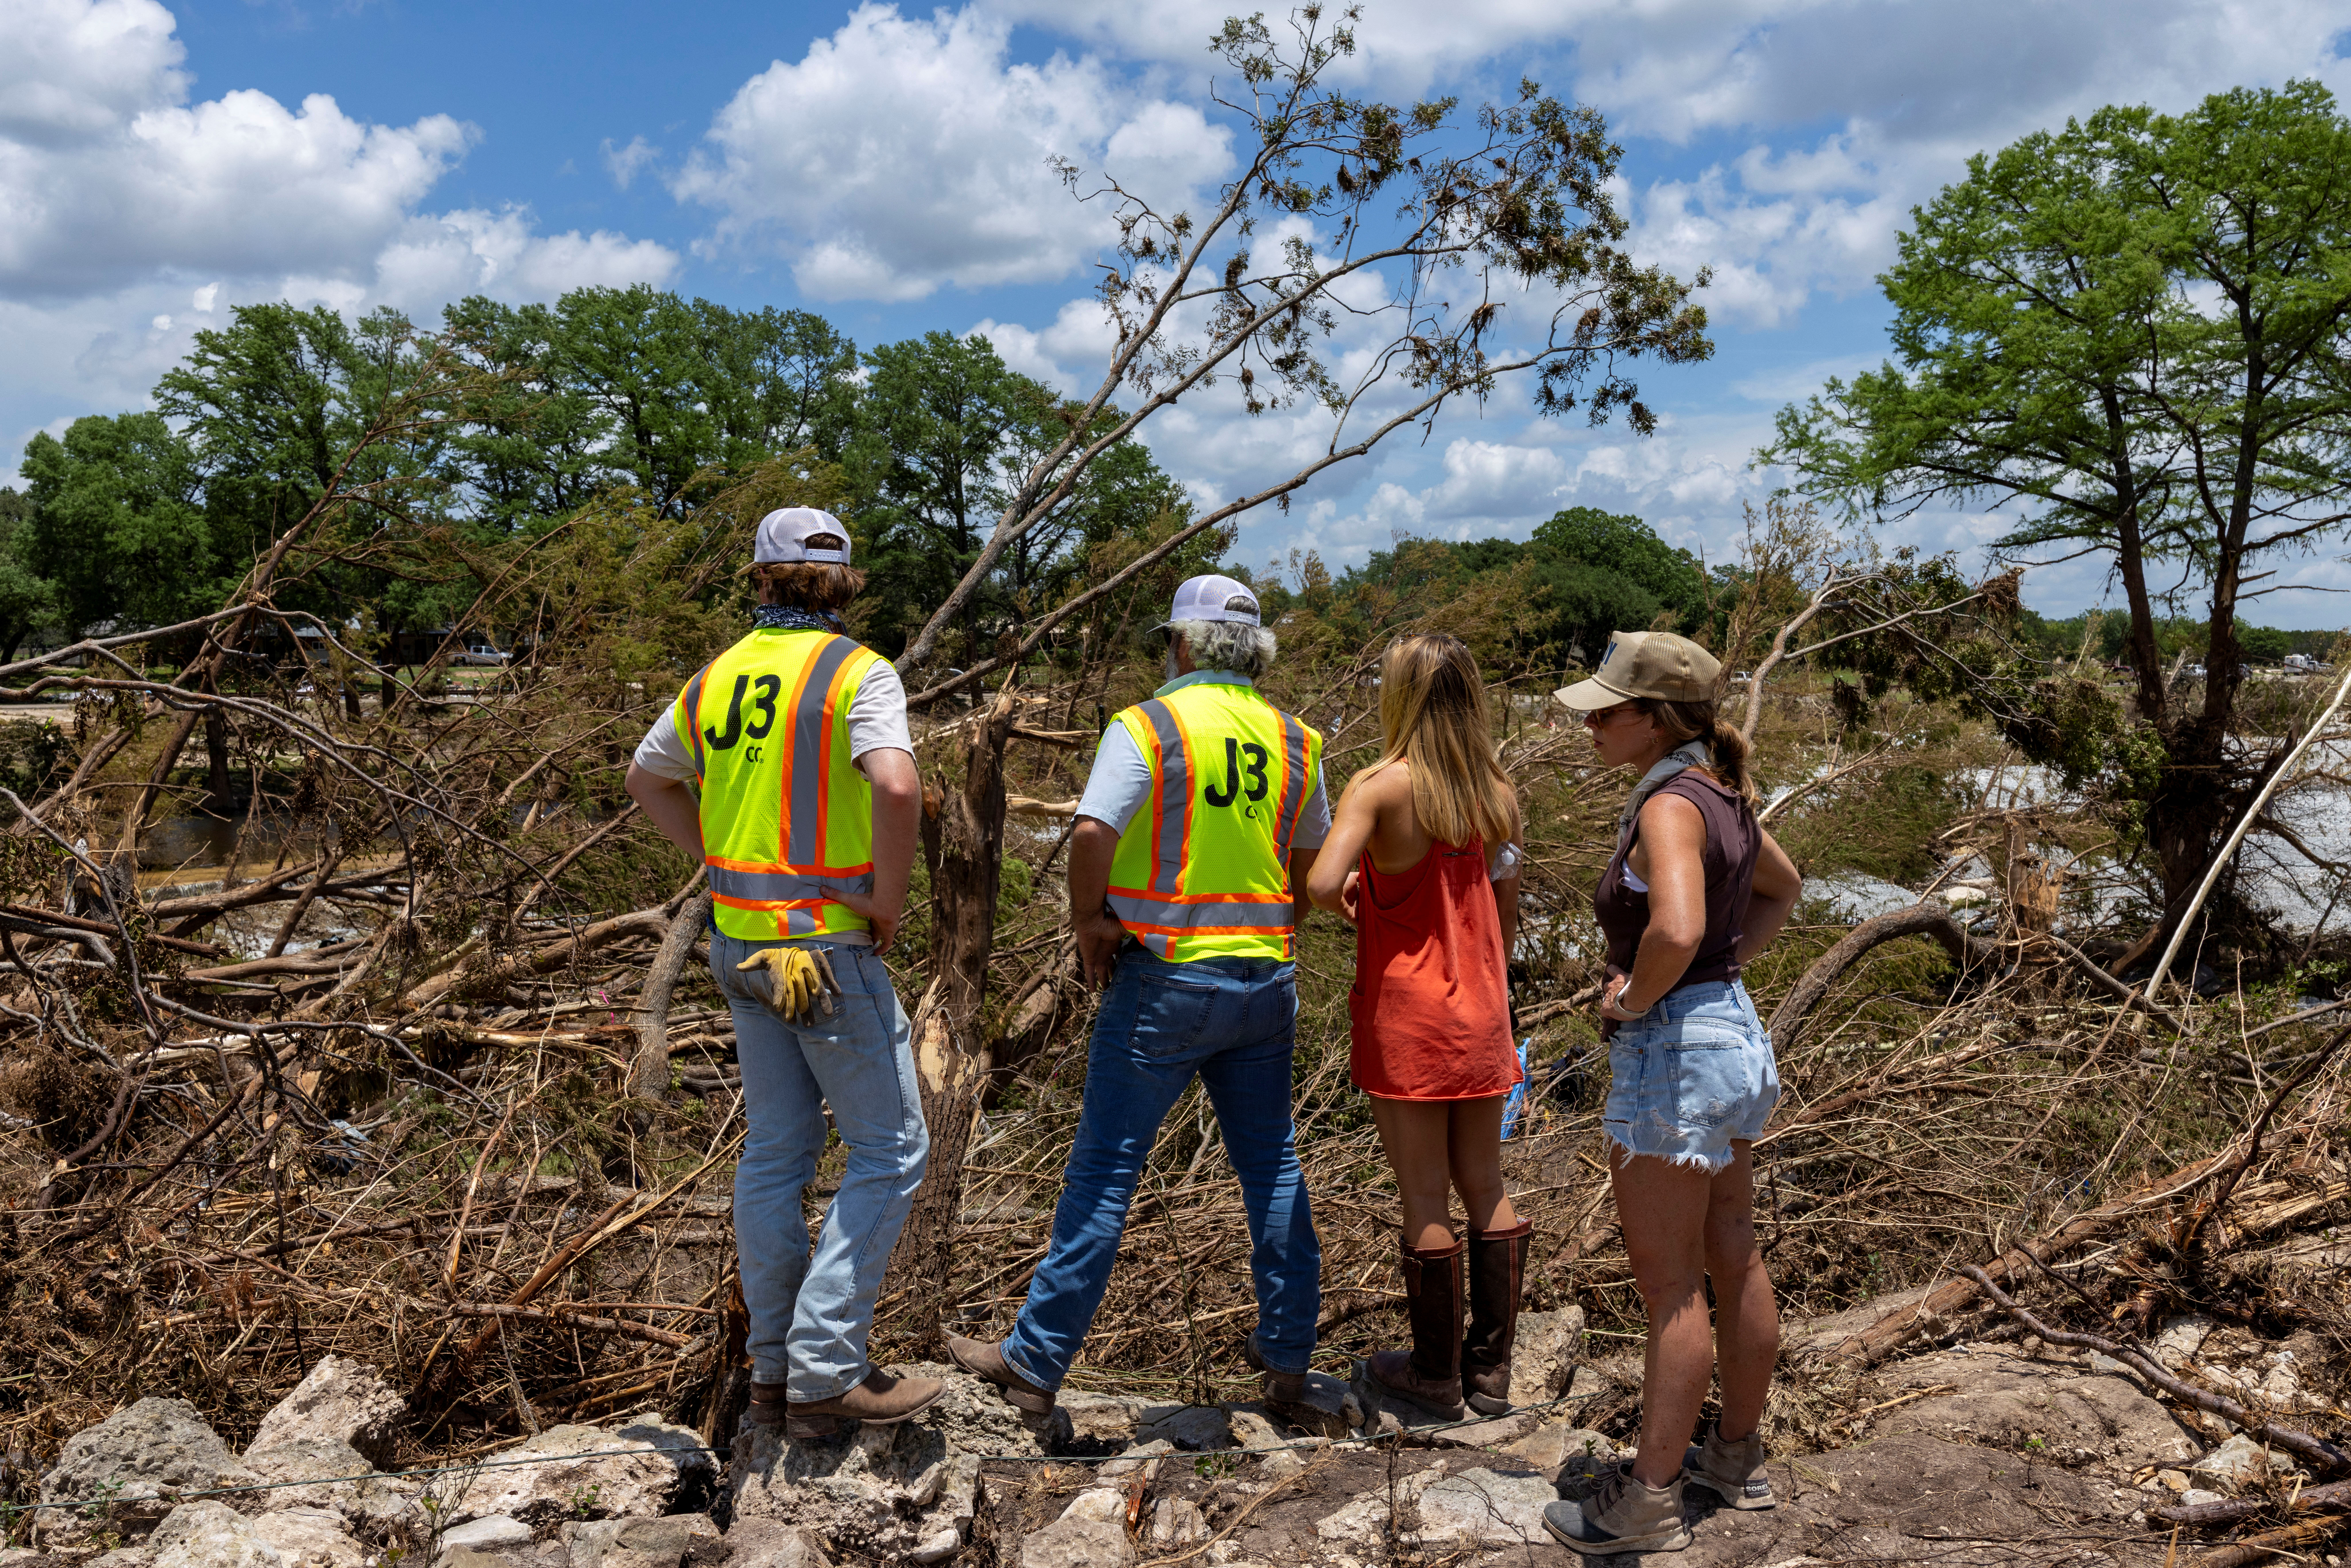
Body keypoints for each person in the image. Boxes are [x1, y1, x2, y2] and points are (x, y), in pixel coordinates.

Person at [944, 575, 1330, 1419]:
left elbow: (1092, 831)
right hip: (1265, 979)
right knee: (1272, 1167)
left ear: (1182, 645)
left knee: (1105, 1173)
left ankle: (1035, 1367)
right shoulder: (1299, 739)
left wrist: (1092, 919)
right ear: (1253, 651)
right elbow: (1310, 868)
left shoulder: (1149, 724)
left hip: (1163, 978)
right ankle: (1292, 1362)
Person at [625, 507, 941, 1438]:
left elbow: (647, 778)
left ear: (759, 578)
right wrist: (887, 898)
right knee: (890, 1152)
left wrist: (719, 863)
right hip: (825, 950)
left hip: (740, 946)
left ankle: (775, 1373)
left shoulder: (719, 675)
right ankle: (827, 1371)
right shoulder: (858, 671)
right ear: (843, 583)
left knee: (774, 1157)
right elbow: (894, 783)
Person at [1539, 630, 1802, 1555]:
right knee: (1736, 1254)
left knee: (1672, 1292)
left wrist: (1633, 997)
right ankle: (1735, 1462)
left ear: (1654, 719)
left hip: (1677, 1048)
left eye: (1606, 712)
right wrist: (1719, 979)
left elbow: (1679, 925)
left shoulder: (1668, 806)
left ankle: (1647, 1501)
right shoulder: (1722, 790)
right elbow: (1783, 886)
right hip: (1731, 1036)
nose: (1592, 727)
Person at [1306, 634, 1529, 1422]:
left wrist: (1357, 902)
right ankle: (1491, 1375)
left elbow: (1322, 879)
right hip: (1482, 1015)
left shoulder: (1379, 787)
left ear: (1399, 697)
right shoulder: (1496, 794)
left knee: (1424, 1197)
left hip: (1407, 1018)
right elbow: (1502, 922)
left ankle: (1435, 1376)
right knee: (1488, 1189)